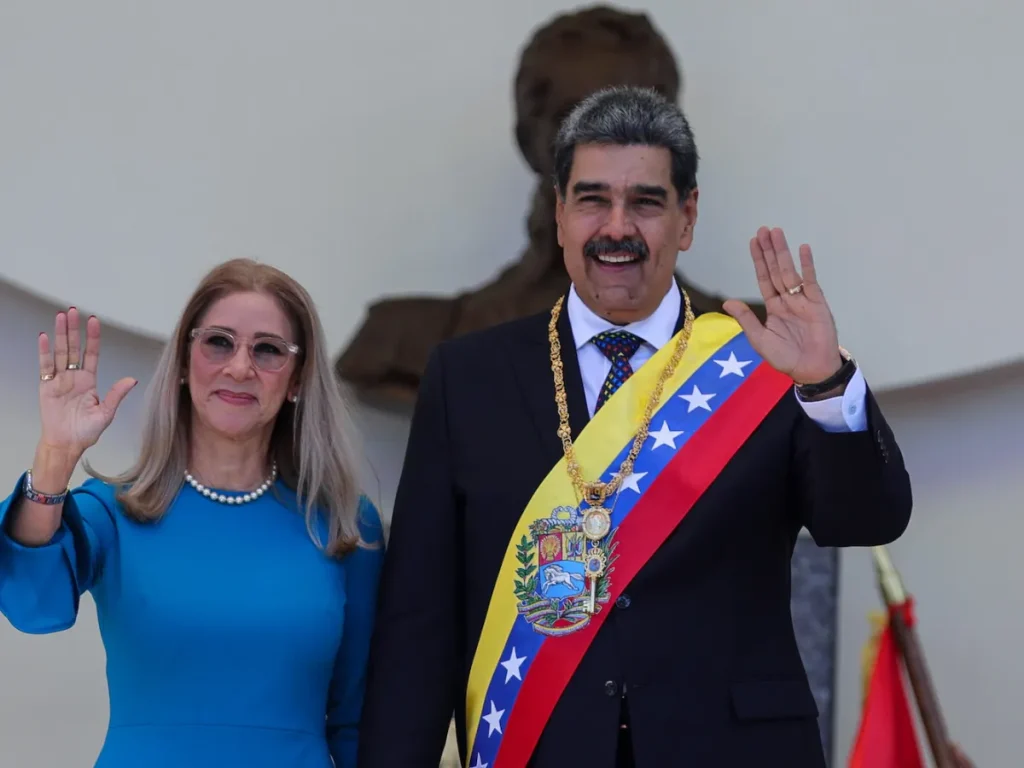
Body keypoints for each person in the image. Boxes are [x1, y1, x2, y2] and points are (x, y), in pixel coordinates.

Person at [357, 86, 913, 768]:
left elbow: (864, 520)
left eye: (646, 202)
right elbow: (420, 624)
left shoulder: (761, 363)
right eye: (592, 199)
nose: (616, 227)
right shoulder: (466, 377)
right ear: (558, 212)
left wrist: (827, 385)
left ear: (687, 217)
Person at [0, 259, 384, 768]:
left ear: (297, 379)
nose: (240, 367)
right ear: (183, 363)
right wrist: (55, 455)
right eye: (218, 342)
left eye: (268, 349)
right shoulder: (112, 512)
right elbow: (32, 607)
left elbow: (358, 720)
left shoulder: (343, 525)